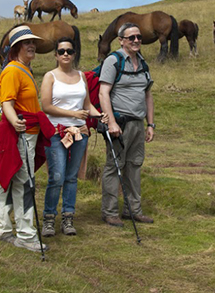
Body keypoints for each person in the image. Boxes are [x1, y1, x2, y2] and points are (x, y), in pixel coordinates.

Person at [0, 25, 56, 253]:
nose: (32, 46)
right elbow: (7, 101)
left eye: (33, 42)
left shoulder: (23, 69)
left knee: (11, 180)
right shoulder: (13, 70)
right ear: (16, 47)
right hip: (22, 133)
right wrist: (15, 121)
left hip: (28, 133)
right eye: (27, 43)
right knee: (25, 184)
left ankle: (0, 229)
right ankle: (26, 235)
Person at [40, 37, 104, 237]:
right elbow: (46, 106)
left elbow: (86, 105)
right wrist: (73, 115)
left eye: (69, 50)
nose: (65, 54)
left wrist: (99, 114)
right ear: (56, 55)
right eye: (61, 51)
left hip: (80, 133)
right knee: (57, 176)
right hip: (56, 132)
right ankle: (49, 218)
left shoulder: (81, 77)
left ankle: (68, 218)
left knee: (71, 177)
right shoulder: (50, 76)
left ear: (75, 54)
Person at [99, 22, 155, 227]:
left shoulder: (142, 63)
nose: (136, 41)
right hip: (119, 124)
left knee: (134, 165)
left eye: (139, 37)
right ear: (121, 40)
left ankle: (133, 210)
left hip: (138, 124)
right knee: (114, 166)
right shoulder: (113, 61)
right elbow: (103, 92)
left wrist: (150, 124)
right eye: (131, 38)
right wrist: (111, 122)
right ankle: (109, 212)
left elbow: (147, 95)